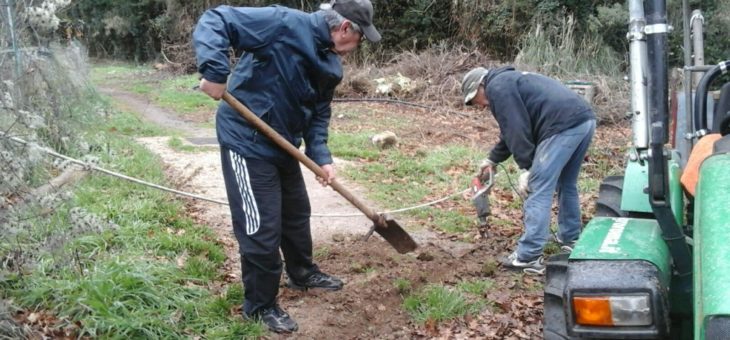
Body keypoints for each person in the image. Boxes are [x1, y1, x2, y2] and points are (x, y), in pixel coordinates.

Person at [192, 0, 381, 333]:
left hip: (284, 146)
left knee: (296, 215)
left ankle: (302, 273)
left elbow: (319, 114)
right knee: (261, 227)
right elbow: (217, 19)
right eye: (360, 37)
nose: (358, 46)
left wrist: (321, 156)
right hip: (247, 141)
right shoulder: (282, 24)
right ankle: (260, 305)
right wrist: (214, 71)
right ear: (344, 29)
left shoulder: (331, 65)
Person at [462, 66, 596, 275]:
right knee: (566, 183)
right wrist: (492, 159)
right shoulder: (508, 81)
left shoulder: (497, 87)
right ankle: (570, 237)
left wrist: (528, 168)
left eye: (474, 99)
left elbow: (517, 129)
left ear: (481, 85)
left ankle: (529, 256)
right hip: (583, 120)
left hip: (561, 126)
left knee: (537, 188)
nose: (480, 105)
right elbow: (511, 131)